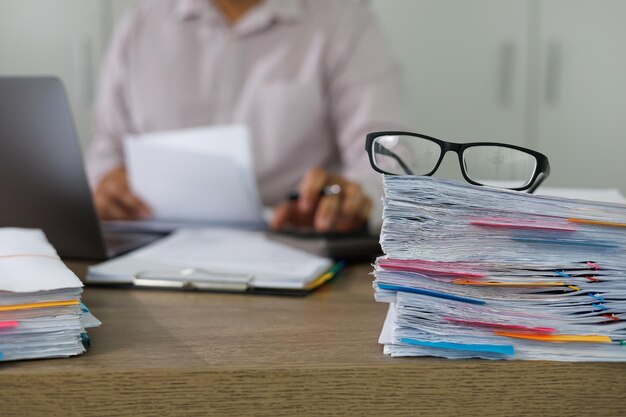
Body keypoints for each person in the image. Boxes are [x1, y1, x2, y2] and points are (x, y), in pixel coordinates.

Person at [88, 0, 408, 233]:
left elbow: (389, 160)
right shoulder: (141, 23)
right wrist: (106, 185)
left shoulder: (344, 21)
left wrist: (350, 201)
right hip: (151, 247)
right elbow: (105, 147)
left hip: (294, 248)